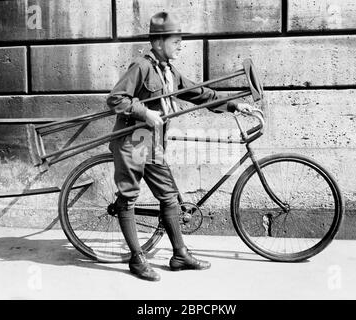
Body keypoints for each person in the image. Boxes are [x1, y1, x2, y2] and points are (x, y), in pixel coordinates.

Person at [106, 11, 253, 281]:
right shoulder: (141, 66)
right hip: (132, 140)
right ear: (159, 42)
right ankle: (137, 261)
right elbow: (116, 99)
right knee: (128, 198)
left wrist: (234, 104)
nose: (181, 45)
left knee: (169, 197)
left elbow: (198, 93)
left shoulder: (169, 72)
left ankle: (179, 254)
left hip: (152, 142)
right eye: (176, 40)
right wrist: (144, 112)